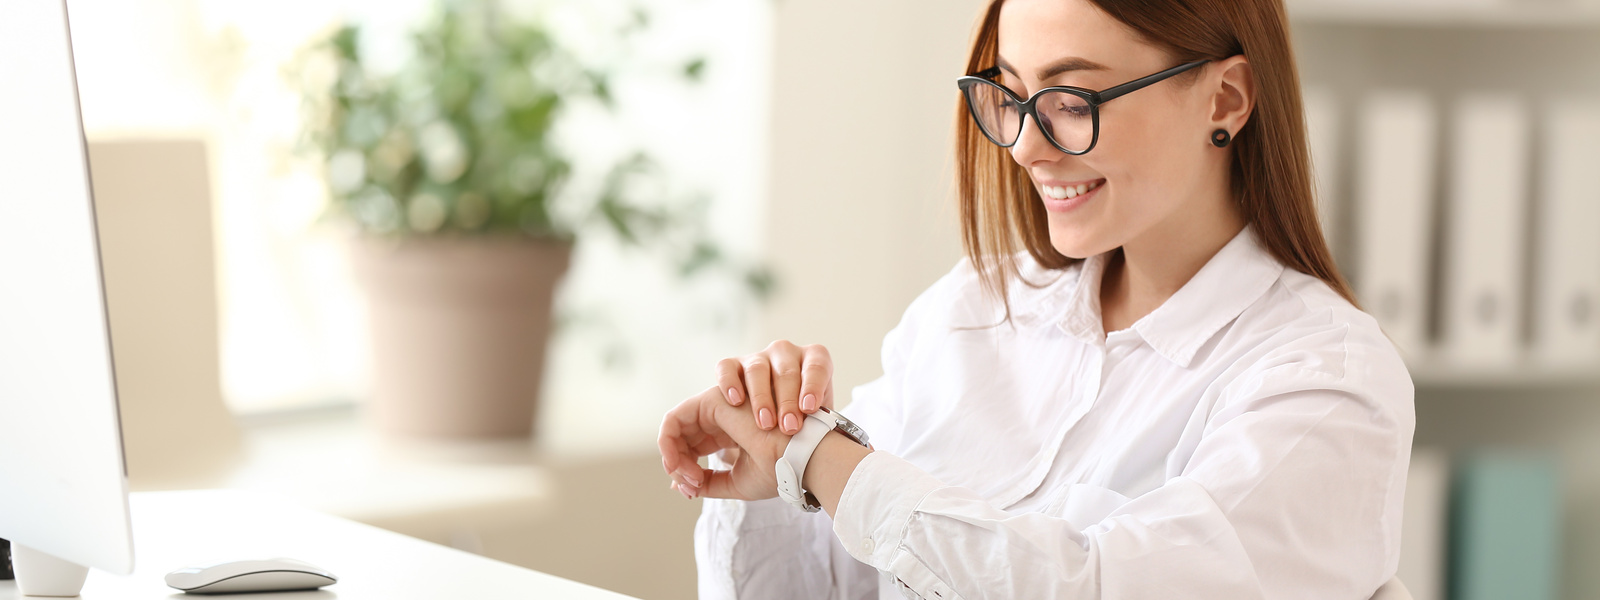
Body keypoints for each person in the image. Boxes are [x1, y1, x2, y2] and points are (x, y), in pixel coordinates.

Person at [657, 0, 1414, 597]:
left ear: (1224, 98)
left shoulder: (1327, 381)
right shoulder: (976, 310)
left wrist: (819, 457)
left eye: (1074, 98)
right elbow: (834, 571)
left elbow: (1098, 587)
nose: (1025, 145)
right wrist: (769, 454)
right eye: (1011, 95)